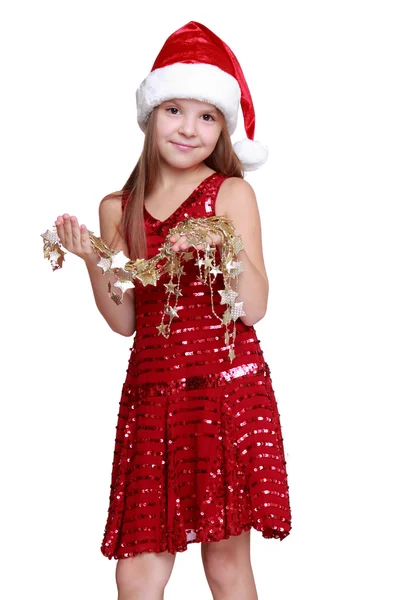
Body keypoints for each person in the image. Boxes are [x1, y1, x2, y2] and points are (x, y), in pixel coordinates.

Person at [55, 21, 291, 600]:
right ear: (150, 115)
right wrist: (93, 260)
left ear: (223, 128)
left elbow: (255, 308)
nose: (188, 129)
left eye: (207, 116)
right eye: (175, 111)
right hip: (153, 393)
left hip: (225, 393)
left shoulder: (231, 195)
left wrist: (223, 251)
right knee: (137, 571)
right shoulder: (119, 207)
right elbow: (127, 322)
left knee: (226, 565)